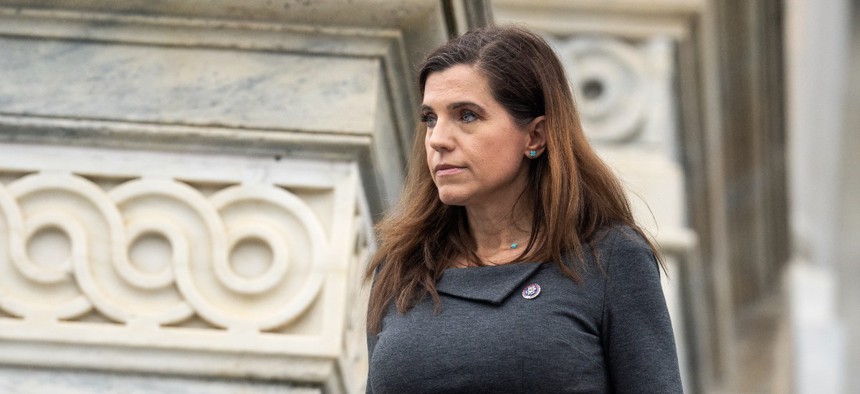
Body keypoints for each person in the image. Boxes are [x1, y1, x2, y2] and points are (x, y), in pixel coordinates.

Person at [364, 25, 682, 393]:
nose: (437, 140)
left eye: (466, 116)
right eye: (430, 119)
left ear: (535, 136)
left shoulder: (608, 259)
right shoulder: (402, 267)